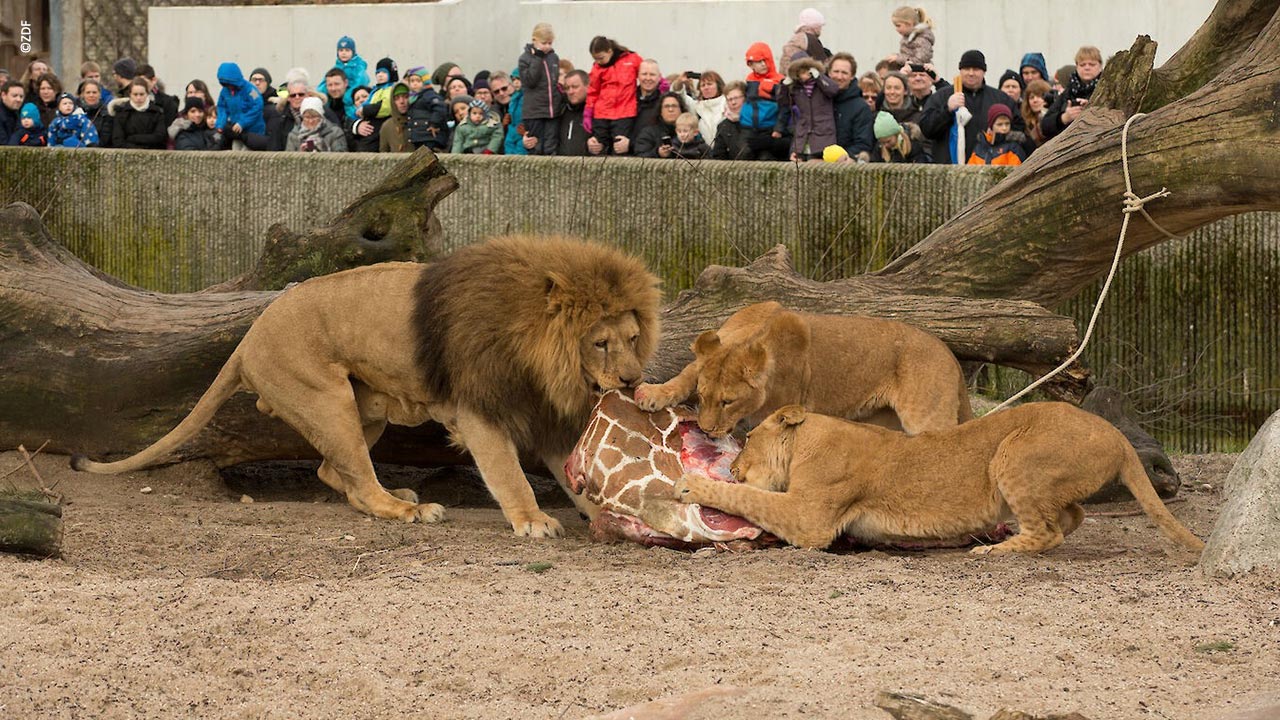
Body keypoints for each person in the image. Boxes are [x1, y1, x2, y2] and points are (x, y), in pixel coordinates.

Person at [918, 49, 1020, 164]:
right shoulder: (942, 96)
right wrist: (947, 110)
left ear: (984, 71)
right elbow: (927, 129)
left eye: (976, 69)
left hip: (989, 169)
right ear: (960, 71)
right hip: (949, 169)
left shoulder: (1000, 99)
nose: (971, 73)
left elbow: (1018, 129)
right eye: (966, 69)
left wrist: (999, 136)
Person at [585, 35, 642, 155]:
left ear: (610, 51)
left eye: (601, 58)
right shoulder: (597, 67)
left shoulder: (631, 59)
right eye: (595, 59)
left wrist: (661, 83)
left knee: (620, 148)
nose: (598, 62)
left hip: (624, 112)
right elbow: (593, 91)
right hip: (602, 113)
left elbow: (645, 72)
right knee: (598, 148)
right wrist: (588, 111)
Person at [775, 53, 838, 162]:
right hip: (803, 133)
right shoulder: (795, 88)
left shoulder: (821, 84)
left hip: (824, 132)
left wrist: (819, 77)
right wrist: (785, 85)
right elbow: (783, 102)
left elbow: (833, 90)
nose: (803, 76)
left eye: (805, 71)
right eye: (799, 72)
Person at [518, 22, 565, 156]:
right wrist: (537, 58)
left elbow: (554, 82)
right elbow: (530, 81)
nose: (547, 47)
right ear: (534, 41)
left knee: (551, 147)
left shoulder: (553, 57)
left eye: (550, 43)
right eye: (544, 43)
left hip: (552, 111)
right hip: (534, 112)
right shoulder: (525, 59)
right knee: (536, 147)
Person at [1040, 46, 1104, 141]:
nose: (1087, 68)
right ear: (1077, 66)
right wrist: (1064, 118)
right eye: (1082, 65)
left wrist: (1090, 108)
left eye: (1092, 64)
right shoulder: (1068, 91)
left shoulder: (1106, 89)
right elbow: (1044, 125)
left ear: (1100, 66)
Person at [742, 41, 789, 161]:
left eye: (765, 60)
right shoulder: (749, 81)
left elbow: (785, 107)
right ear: (751, 65)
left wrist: (779, 129)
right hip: (751, 128)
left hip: (771, 130)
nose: (763, 64)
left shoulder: (780, 80)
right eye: (758, 62)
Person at [828, 52, 875, 162]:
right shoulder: (819, 101)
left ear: (852, 76)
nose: (839, 77)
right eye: (836, 71)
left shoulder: (861, 108)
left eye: (844, 73)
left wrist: (837, 157)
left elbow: (863, 143)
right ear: (829, 73)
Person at [214, 62, 267, 150]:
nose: (229, 86)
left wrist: (242, 122)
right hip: (237, 131)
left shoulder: (251, 89)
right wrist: (220, 123)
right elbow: (222, 107)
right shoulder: (225, 91)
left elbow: (258, 105)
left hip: (253, 132)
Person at [108, 78, 167, 149]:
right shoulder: (121, 113)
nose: (138, 98)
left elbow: (160, 137)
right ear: (130, 94)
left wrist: (133, 138)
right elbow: (118, 140)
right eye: (135, 94)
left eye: (141, 94)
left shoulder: (157, 112)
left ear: (147, 93)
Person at [673, 70, 726, 146]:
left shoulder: (727, 103)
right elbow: (679, 95)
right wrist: (679, 81)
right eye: (703, 85)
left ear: (718, 85)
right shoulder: (697, 106)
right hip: (705, 153)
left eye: (709, 84)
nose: (706, 87)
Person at [405, 68, 449, 151]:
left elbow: (440, 108)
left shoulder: (428, 95)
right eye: (412, 81)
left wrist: (434, 123)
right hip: (418, 137)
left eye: (418, 81)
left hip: (428, 136)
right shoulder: (413, 98)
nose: (414, 84)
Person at [780, 8, 831, 74]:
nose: (821, 29)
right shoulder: (811, 40)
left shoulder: (796, 38)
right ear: (814, 26)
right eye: (820, 26)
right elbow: (823, 65)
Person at [633, 91, 683, 158]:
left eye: (674, 106)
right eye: (666, 106)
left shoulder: (690, 132)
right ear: (660, 111)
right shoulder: (648, 133)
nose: (671, 110)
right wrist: (658, 153)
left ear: (681, 110)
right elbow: (639, 158)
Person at [710, 81, 752, 160]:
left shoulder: (758, 121)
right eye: (729, 99)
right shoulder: (723, 126)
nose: (733, 102)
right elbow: (718, 155)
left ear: (745, 98)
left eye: (736, 98)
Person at [556, 69, 591, 156]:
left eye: (575, 87)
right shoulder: (561, 111)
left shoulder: (598, 112)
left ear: (588, 86)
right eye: (567, 88)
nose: (570, 92)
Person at [77, 79, 112, 146]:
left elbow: (105, 139)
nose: (91, 95)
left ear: (100, 94)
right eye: (88, 92)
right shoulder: (76, 113)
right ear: (82, 94)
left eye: (94, 92)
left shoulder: (106, 114)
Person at [379, 83, 412, 152]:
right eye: (397, 98)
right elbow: (383, 155)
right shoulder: (387, 126)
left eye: (405, 97)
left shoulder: (417, 121)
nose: (402, 101)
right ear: (392, 101)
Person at [1021, 78, 1051, 148]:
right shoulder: (1025, 123)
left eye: (1039, 96)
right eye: (1031, 97)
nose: (1035, 100)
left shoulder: (1054, 119)